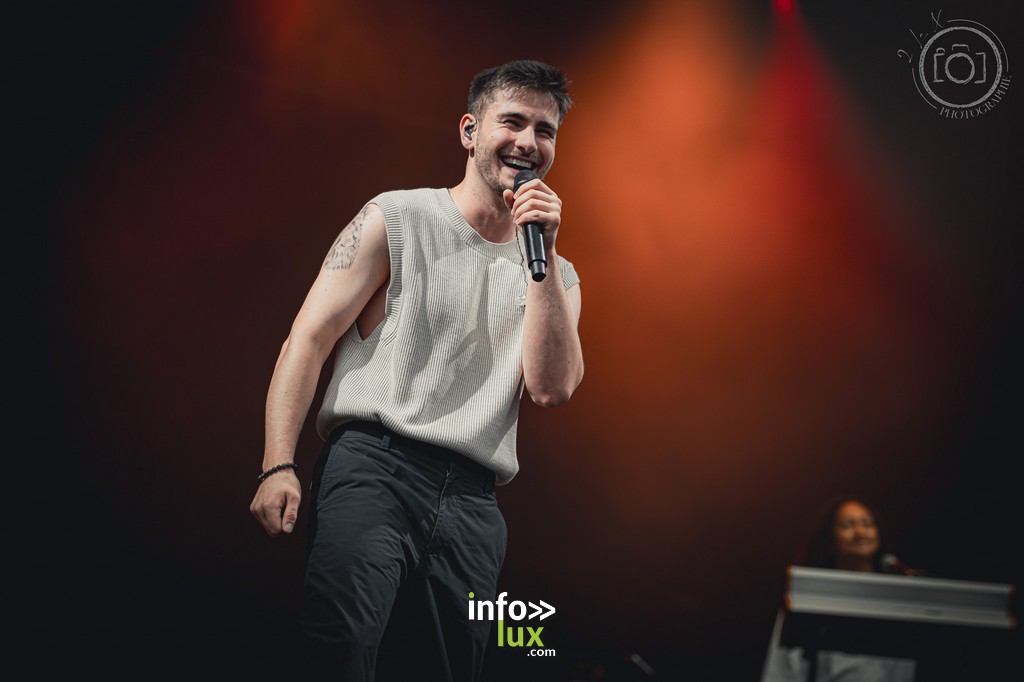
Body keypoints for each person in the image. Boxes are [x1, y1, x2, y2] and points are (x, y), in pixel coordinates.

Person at [249, 60, 584, 681]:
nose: (528, 142)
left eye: (545, 130)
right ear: (469, 131)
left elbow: (551, 388)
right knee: (340, 648)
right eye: (512, 122)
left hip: (473, 502)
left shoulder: (558, 276)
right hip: (375, 466)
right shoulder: (399, 217)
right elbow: (308, 339)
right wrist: (278, 463)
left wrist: (545, 250)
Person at [760, 496, 918, 681]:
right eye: (848, 525)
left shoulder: (897, 599)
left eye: (867, 523)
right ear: (831, 537)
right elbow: (781, 671)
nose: (860, 532)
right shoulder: (808, 597)